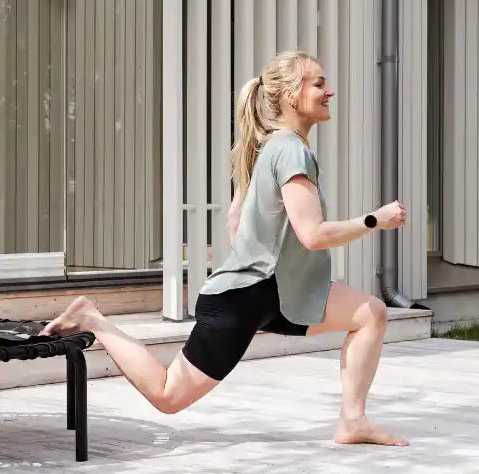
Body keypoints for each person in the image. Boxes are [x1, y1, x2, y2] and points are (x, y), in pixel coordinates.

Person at [45, 50, 408, 446]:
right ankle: (94, 320)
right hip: (246, 297)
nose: (328, 91)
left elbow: (237, 226)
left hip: (278, 291)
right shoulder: (290, 150)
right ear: (290, 95)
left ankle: (353, 421)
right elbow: (312, 234)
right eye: (318, 84)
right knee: (168, 395)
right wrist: (375, 220)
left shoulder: (271, 148)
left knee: (371, 313)